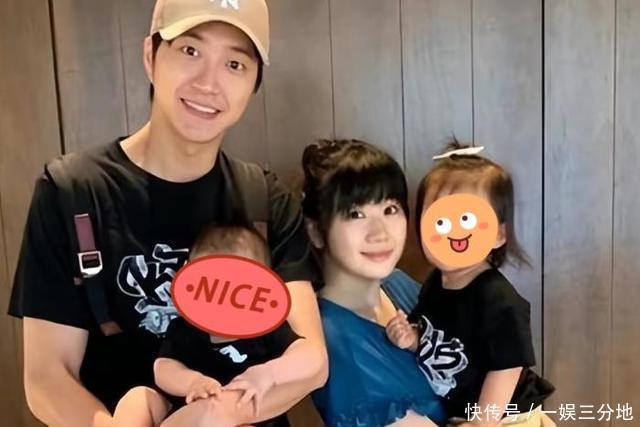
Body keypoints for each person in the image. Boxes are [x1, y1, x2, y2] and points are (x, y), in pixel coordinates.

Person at [8, 1, 328, 426]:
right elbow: (48, 377)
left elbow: (309, 363)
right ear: (150, 55)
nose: (208, 84)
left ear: (254, 84)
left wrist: (211, 416)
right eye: (190, 51)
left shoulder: (266, 201)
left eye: (234, 64)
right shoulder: (71, 193)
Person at [386, 141, 555, 427]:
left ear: (499, 235)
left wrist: (482, 422)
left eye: (466, 220)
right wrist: (413, 338)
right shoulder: (436, 284)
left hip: (508, 417)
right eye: (439, 222)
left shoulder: (499, 299)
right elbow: (436, 340)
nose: (453, 234)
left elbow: (507, 367)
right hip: (460, 411)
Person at [301, 139, 446, 427]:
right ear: (316, 231)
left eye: (390, 209)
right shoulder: (337, 341)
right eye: (355, 214)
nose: (380, 233)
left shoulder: (396, 283)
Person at [113, 224, 302, 427]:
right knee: (138, 399)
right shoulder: (186, 328)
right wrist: (192, 382)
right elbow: (163, 368)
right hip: (182, 413)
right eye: (210, 288)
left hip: (245, 417)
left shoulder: (268, 330)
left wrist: (269, 375)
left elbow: (303, 354)